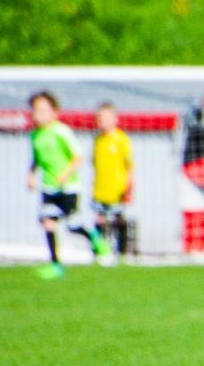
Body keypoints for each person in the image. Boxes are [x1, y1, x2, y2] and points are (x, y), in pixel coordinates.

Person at [26, 91, 112, 278]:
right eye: (34, 111)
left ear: (54, 112)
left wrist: (65, 174)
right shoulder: (35, 136)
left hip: (68, 188)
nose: (37, 115)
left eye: (42, 110)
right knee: (48, 222)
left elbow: (78, 155)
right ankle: (56, 265)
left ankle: (95, 239)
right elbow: (36, 159)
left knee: (73, 226)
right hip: (49, 187)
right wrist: (31, 175)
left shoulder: (61, 131)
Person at [91, 102, 133, 259]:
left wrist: (129, 186)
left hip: (118, 189)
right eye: (100, 118)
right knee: (100, 220)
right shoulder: (98, 140)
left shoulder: (121, 139)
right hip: (100, 189)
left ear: (115, 119)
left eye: (107, 118)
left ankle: (122, 252)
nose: (103, 122)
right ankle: (99, 252)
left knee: (118, 219)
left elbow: (130, 166)